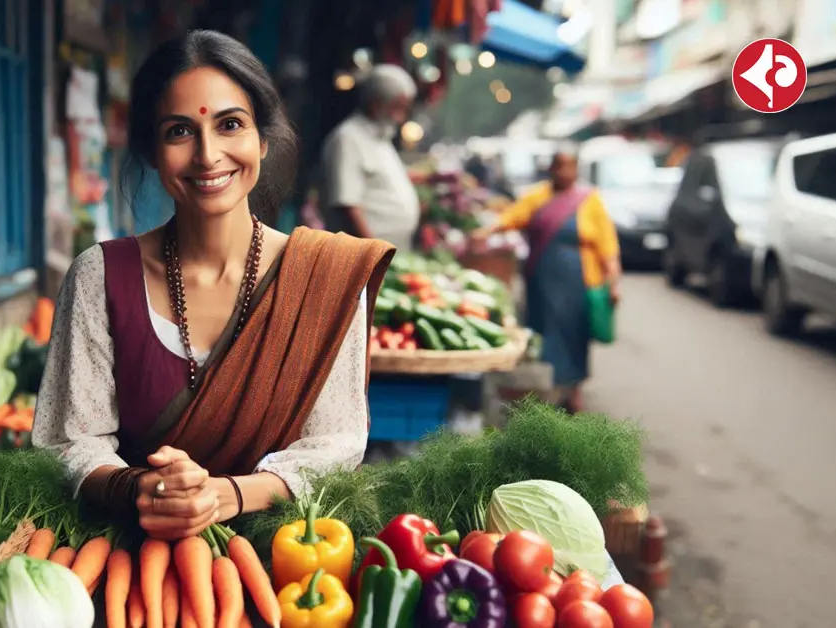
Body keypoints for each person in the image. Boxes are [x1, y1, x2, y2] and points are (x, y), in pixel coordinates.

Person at [33, 30, 395, 541]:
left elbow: (335, 443)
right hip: (134, 553)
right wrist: (144, 490)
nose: (208, 154)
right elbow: (70, 442)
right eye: (179, 131)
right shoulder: (100, 277)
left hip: (289, 556)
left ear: (262, 140)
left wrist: (228, 495)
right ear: (151, 151)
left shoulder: (327, 279)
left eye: (230, 124)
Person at [472, 151, 621, 414]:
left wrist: (614, 282)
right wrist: (485, 232)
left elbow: (607, 246)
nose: (563, 172)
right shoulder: (537, 196)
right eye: (558, 167)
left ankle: (573, 389)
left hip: (578, 282)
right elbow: (511, 217)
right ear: (550, 169)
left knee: (575, 335)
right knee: (544, 333)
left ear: (576, 170)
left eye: (569, 167)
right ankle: (546, 388)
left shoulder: (590, 201)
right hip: (542, 280)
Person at [319, 64, 421, 250]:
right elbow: (347, 206)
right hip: (362, 260)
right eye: (398, 107)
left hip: (388, 256)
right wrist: (375, 254)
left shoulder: (382, 139)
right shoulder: (347, 138)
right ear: (377, 104)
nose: (401, 117)